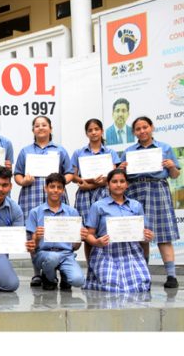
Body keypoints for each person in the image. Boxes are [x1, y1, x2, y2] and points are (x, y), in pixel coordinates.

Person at [119, 116, 181, 288]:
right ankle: (143, 272)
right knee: (140, 234)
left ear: (152, 127)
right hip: (135, 191)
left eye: (145, 127)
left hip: (158, 189)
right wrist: (121, 169)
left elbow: (175, 175)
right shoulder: (129, 151)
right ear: (134, 133)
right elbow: (121, 178)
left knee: (163, 234)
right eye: (138, 129)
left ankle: (171, 275)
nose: (142, 131)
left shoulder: (165, 148)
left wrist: (171, 166)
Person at [14, 116, 73, 287]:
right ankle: (36, 273)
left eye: (44, 125)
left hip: (55, 195)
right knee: (34, 233)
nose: (41, 128)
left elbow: (69, 173)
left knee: (58, 231)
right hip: (31, 194)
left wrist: (60, 180)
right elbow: (17, 174)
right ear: (33, 130)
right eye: (37, 126)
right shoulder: (25, 151)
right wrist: (23, 181)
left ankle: (58, 268)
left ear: (50, 128)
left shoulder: (60, 150)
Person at [83, 169, 153, 292]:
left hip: (131, 251)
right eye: (114, 181)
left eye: (122, 181)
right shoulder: (98, 206)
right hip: (105, 251)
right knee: (111, 284)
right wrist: (96, 242)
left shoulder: (136, 205)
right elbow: (89, 235)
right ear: (108, 184)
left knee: (140, 284)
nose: (118, 184)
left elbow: (144, 232)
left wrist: (147, 236)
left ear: (127, 184)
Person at [25, 173, 86, 291]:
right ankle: (49, 278)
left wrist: (78, 238)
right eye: (52, 187)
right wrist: (36, 237)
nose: (55, 190)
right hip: (44, 254)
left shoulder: (72, 212)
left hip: (66, 254)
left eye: (59, 187)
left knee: (78, 280)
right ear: (45, 188)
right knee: (52, 257)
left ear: (63, 190)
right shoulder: (35, 212)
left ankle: (65, 275)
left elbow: (76, 247)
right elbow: (32, 247)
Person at [71, 118, 119, 262]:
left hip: (104, 194)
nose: (93, 132)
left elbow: (113, 176)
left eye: (96, 129)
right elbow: (73, 175)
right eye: (90, 130)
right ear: (86, 133)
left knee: (105, 230)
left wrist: (92, 185)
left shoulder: (110, 152)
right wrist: (81, 182)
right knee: (87, 233)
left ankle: (106, 265)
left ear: (102, 131)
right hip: (84, 196)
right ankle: (91, 268)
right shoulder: (79, 152)